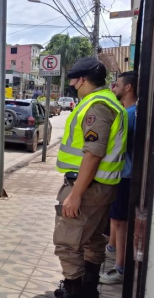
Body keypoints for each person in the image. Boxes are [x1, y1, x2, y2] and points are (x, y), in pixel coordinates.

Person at [53, 57, 128, 298]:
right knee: (93, 239)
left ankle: (75, 292)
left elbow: (93, 154)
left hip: (87, 188)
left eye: (74, 80)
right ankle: (88, 290)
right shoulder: (109, 102)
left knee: (68, 243)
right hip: (101, 187)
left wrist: (75, 195)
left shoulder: (97, 106)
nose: (73, 85)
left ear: (83, 79)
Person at [100, 71, 138, 285]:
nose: (113, 89)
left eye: (117, 85)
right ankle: (112, 248)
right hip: (121, 173)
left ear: (128, 88)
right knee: (115, 218)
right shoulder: (127, 111)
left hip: (125, 174)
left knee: (120, 221)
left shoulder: (130, 114)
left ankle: (120, 268)